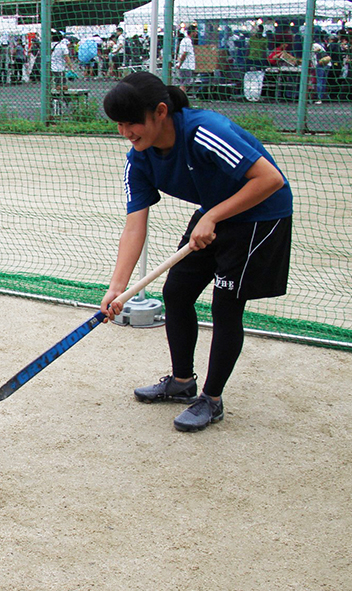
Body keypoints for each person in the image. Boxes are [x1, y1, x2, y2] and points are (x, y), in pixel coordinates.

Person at [101, 72, 293, 432]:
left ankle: (212, 399)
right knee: (177, 292)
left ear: (160, 111)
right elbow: (134, 225)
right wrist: (118, 287)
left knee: (226, 304)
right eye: (119, 125)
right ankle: (182, 382)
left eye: (132, 123)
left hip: (261, 214)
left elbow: (270, 180)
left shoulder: (204, 131)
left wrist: (215, 215)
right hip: (215, 213)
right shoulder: (140, 158)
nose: (126, 133)